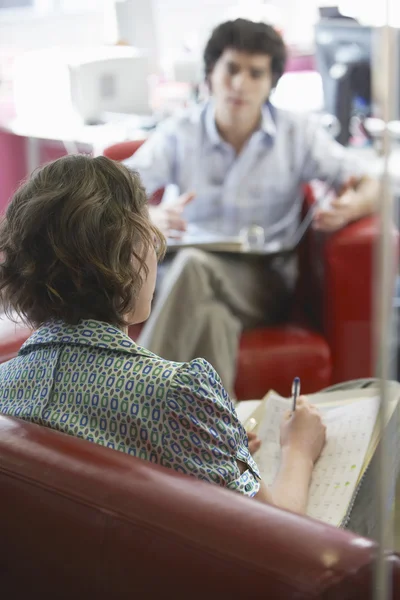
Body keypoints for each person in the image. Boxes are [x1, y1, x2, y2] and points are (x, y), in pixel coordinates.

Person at [0, 154, 325, 514]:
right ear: (133, 252)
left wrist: (213, 440)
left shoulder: (3, 385)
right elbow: (279, 533)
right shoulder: (178, 394)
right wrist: (299, 450)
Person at [125, 18, 379, 398]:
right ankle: (220, 444)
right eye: (231, 69)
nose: (241, 84)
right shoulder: (180, 131)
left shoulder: (297, 134)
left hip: (263, 280)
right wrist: (147, 217)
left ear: (271, 82)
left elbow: (372, 180)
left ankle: (132, 399)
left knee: (194, 266)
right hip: (183, 277)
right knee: (212, 317)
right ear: (211, 73)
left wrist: (353, 205)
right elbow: (112, 191)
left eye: (255, 73)